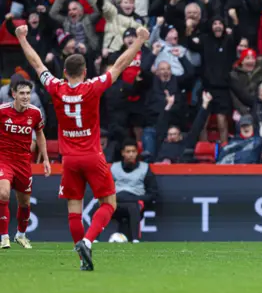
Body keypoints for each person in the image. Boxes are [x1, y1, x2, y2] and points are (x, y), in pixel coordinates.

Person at [16, 24, 150, 271]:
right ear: (85, 71)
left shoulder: (56, 87)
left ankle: (82, 260)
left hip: (69, 159)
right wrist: (139, 41)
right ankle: (88, 241)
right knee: (109, 203)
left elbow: (36, 64)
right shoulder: (93, 86)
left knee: (74, 211)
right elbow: (119, 66)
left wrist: (22, 38)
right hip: (91, 155)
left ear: (64, 72)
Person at [0, 81, 50, 249]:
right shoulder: (2, 111)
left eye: (28, 93)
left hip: (23, 162)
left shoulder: (35, 113)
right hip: (4, 159)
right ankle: (4, 236)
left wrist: (46, 159)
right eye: (22, 93)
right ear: (13, 94)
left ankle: (20, 235)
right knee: (3, 193)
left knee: (25, 202)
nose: (25, 97)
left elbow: (40, 134)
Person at [110, 138, 158, 243]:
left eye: (133, 151)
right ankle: (94, 239)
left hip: (135, 201)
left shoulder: (145, 168)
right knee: (98, 206)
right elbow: (106, 188)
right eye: (128, 152)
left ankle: (135, 239)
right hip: (116, 201)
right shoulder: (114, 168)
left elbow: (153, 193)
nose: (131, 154)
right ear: (122, 153)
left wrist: (134, 198)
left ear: (137, 153)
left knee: (133, 207)